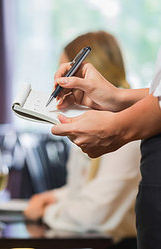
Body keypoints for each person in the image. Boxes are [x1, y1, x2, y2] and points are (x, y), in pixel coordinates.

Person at [24, 31, 141, 245]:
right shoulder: (95, 123)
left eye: (63, 78)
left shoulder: (126, 131)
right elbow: (82, 190)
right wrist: (54, 198)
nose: (57, 87)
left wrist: (47, 212)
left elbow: (95, 214)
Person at [50, 38, 161, 248]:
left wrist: (118, 126)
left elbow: (95, 214)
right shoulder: (91, 116)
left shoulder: (127, 138)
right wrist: (118, 99)